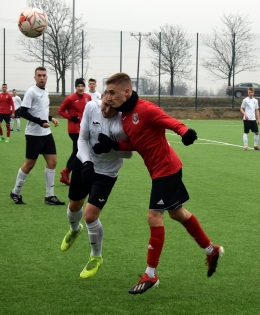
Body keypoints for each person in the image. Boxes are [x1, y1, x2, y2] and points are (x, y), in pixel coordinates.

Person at [95, 72, 224, 295]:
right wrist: (112, 145)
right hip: (162, 170)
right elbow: (137, 145)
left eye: (112, 92)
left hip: (166, 170)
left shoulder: (145, 109)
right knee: (178, 213)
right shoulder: (125, 116)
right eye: (107, 92)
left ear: (127, 91)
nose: (108, 97)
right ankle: (211, 250)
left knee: (154, 216)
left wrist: (185, 133)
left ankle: (151, 275)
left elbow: (171, 122)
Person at [60, 92, 132, 279]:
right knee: (74, 205)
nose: (106, 110)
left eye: (111, 108)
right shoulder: (92, 106)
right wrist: (86, 162)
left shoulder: (122, 123)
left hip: (107, 172)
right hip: (84, 162)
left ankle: (96, 257)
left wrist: (111, 146)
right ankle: (75, 230)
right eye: (105, 105)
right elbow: (82, 139)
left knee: (90, 216)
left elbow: (128, 154)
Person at [10, 66, 65, 206]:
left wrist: (51, 118)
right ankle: (15, 192)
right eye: (39, 75)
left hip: (46, 133)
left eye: (44, 75)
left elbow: (41, 111)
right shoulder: (31, 92)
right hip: (34, 134)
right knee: (29, 164)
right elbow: (23, 112)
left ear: (47, 77)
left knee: (52, 162)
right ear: (35, 77)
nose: (42, 78)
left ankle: (50, 196)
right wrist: (40, 122)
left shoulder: (46, 91)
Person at [57, 78, 92, 186]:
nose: (80, 88)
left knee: (77, 152)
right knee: (79, 151)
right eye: (78, 86)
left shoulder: (88, 97)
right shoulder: (70, 99)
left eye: (82, 86)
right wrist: (71, 117)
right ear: (76, 87)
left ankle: (67, 173)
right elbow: (60, 111)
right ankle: (66, 172)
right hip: (74, 130)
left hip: (84, 128)